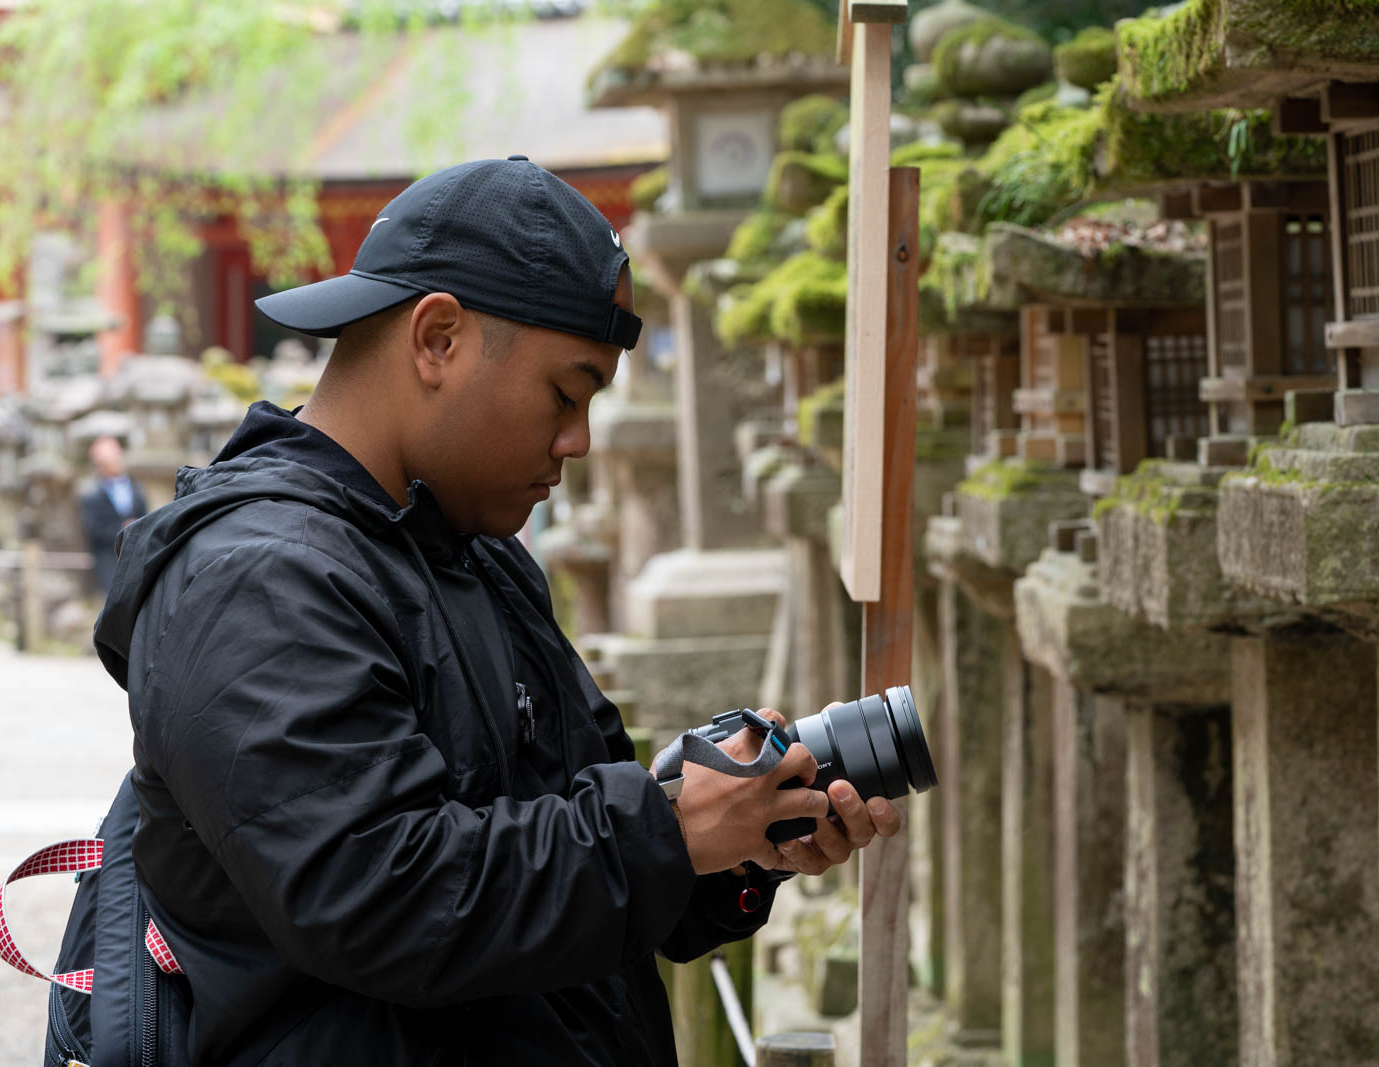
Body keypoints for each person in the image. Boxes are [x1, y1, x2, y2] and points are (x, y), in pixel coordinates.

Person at [93, 156, 901, 1066]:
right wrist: (665, 830)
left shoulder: (476, 556)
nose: (579, 441)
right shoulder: (254, 578)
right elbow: (379, 897)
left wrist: (737, 836)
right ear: (437, 338)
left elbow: (571, 852)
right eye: (566, 393)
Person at [79, 435, 148, 595]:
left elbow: (145, 513)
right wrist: (122, 528)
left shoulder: (136, 488)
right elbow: (92, 528)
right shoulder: (92, 495)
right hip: (107, 560)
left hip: (137, 555)